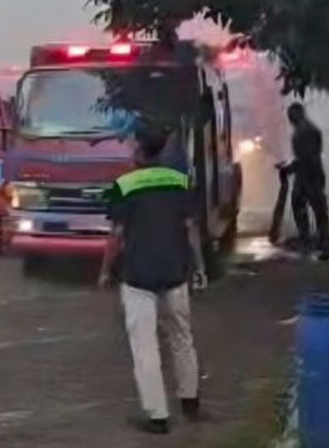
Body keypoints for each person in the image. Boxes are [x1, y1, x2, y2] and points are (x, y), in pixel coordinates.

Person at [99, 125, 206, 435]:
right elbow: (191, 229)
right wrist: (198, 267)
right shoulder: (180, 181)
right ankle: (190, 400)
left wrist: (105, 270)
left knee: (145, 345)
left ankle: (158, 415)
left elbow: (116, 235)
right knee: (182, 337)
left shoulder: (124, 185)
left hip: (137, 275)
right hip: (176, 271)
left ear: (139, 149)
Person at [282, 102, 329, 260]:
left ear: (297, 114)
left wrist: (289, 168)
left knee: (309, 207)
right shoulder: (309, 128)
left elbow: (306, 157)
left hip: (309, 176)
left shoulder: (303, 132)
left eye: (291, 116)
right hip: (311, 174)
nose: (289, 120)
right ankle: (319, 241)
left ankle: (315, 242)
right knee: (316, 209)